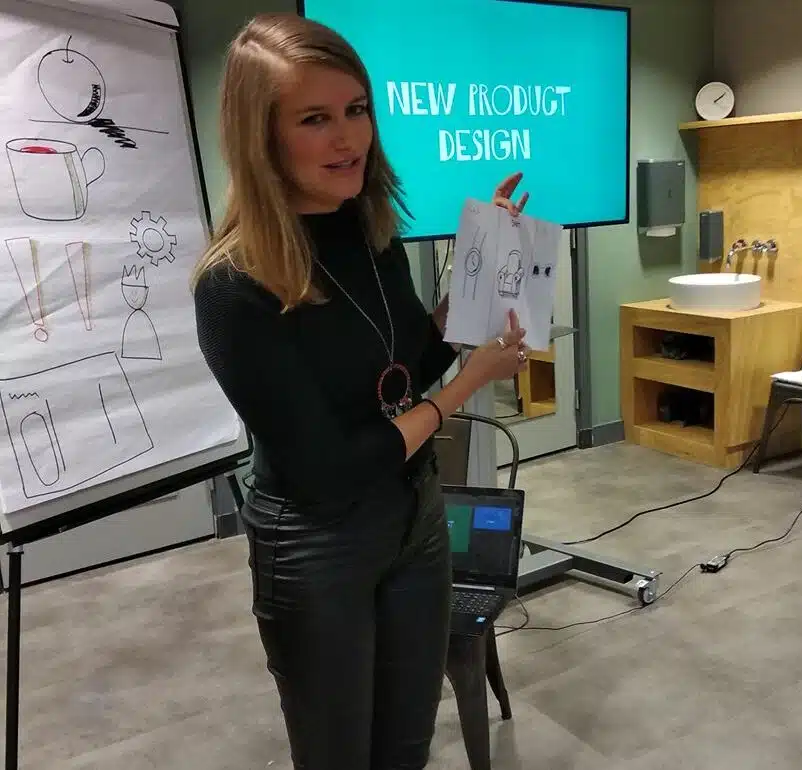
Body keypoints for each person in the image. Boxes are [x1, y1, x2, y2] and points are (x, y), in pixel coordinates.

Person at [190, 12, 531, 770]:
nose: (348, 139)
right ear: (261, 137)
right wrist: (467, 387)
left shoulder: (372, 235)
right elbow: (330, 468)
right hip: (318, 545)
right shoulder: (234, 286)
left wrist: (483, 265)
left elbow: (407, 365)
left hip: (414, 520)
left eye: (356, 110)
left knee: (406, 746)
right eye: (315, 119)